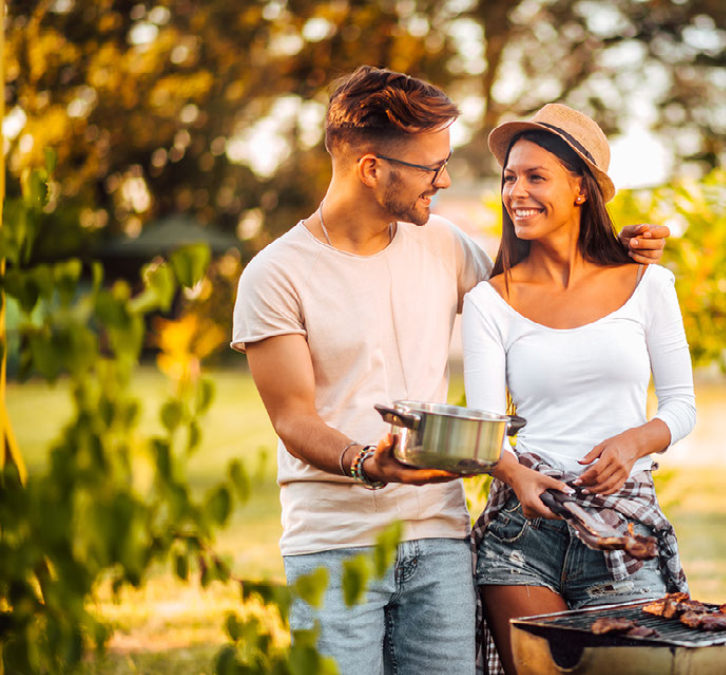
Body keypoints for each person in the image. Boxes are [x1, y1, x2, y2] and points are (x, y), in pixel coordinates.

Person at [230, 67, 669, 675]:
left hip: (437, 537)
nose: (447, 178)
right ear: (372, 168)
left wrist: (613, 257)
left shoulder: (444, 244)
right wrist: (368, 462)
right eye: (432, 167)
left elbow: (538, 297)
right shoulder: (276, 274)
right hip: (333, 545)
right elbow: (293, 418)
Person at [461, 104, 697, 674]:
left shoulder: (648, 284)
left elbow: (681, 406)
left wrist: (634, 442)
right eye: (510, 178)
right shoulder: (490, 300)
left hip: (623, 527)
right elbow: (487, 430)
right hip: (524, 531)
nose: (516, 191)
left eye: (535, 177)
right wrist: (512, 472)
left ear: (580, 190)